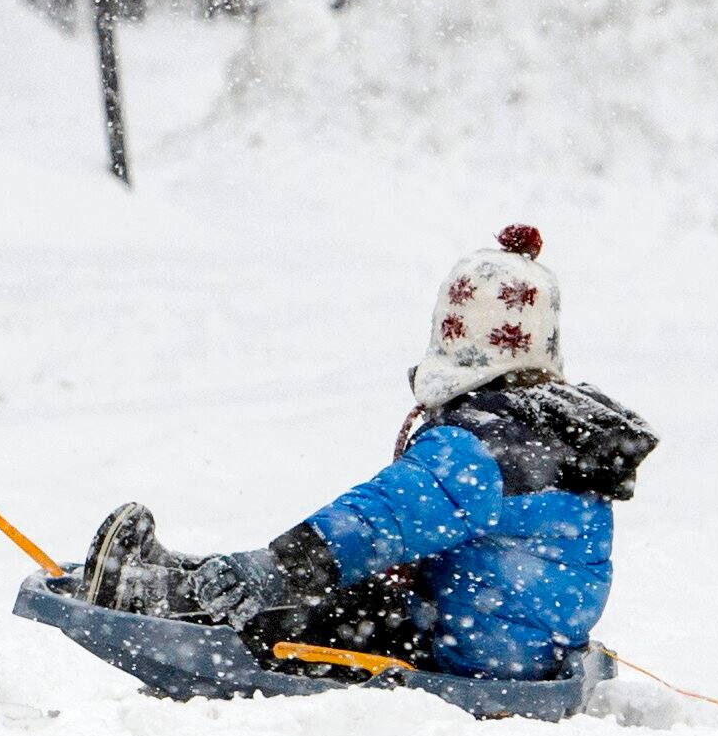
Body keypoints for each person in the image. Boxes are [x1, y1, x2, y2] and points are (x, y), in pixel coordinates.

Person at [77, 226, 653, 677]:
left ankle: (162, 597)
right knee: (350, 585)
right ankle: (197, 577)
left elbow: (380, 519)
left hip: (471, 650)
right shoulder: (547, 426)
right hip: (516, 638)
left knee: (323, 606)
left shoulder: (484, 443)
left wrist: (276, 568)